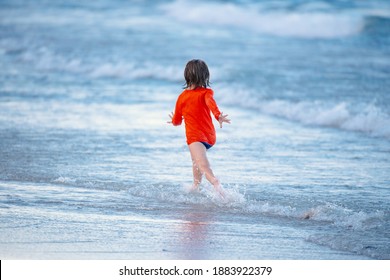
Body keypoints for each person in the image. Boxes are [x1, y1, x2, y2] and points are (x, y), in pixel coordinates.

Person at [168, 59, 230, 198]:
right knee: (196, 161)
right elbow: (211, 104)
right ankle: (196, 185)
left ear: (186, 76)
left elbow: (177, 121)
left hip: (195, 137)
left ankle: (215, 182)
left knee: (202, 164)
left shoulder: (182, 97)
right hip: (209, 136)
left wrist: (173, 120)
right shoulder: (206, 92)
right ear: (205, 76)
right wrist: (217, 115)